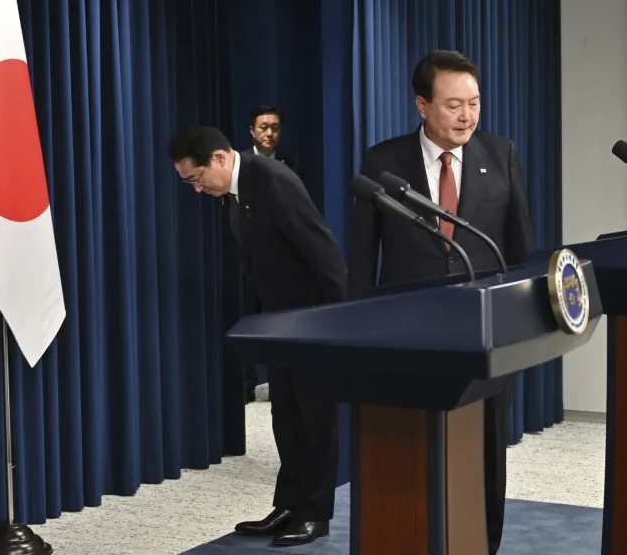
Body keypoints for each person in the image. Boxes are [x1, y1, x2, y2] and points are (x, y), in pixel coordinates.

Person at [348, 49, 534, 555]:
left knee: (485, 450)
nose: (467, 116)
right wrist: (357, 328)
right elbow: (363, 257)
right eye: (453, 105)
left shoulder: (502, 154)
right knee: (410, 445)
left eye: (474, 103)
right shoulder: (383, 162)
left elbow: (519, 250)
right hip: (408, 332)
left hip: (486, 332)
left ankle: (484, 544)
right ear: (422, 106)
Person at [167, 125, 347, 547]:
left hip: (315, 321)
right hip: (280, 323)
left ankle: (315, 513)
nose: (196, 190)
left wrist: (341, 321)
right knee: (285, 415)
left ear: (218, 159)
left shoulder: (272, 180)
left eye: (195, 179)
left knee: (316, 418)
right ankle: (288, 504)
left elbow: (323, 253)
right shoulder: (235, 190)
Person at [245, 105, 299, 174]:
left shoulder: (290, 164)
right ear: (252, 130)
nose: (269, 134)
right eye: (264, 127)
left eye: (275, 128)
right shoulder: (240, 162)